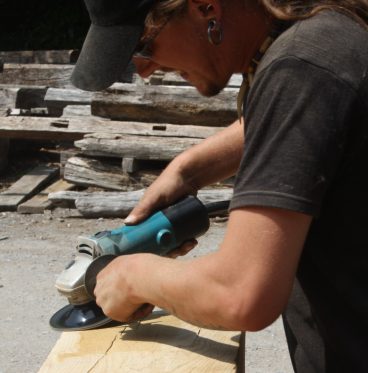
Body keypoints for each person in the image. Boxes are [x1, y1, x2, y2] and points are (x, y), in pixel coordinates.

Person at [71, 0, 368, 371]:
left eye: (143, 46)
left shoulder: (301, 69)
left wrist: (131, 277)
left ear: (205, 7)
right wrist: (189, 171)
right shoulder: (329, 34)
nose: (144, 70)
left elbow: (241, 294)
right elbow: (304, 118)